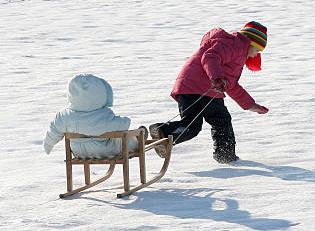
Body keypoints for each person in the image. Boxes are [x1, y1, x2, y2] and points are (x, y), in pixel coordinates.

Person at [149, 21, 269, 164]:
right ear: (251, 42)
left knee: (191, 126)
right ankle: (225, 157)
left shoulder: (235, 48)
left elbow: (232, 86)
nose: (255, 54)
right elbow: (210, 57)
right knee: (221, 121)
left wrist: (251, 105)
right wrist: (217, 78)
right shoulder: (235, 45)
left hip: (188, 86)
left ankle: (163, 133)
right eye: (257, 50)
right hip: (205, 88)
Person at [43, 74, 146, 159]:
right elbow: (121, 126)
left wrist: (48, 146)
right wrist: (126, 120)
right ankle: (138, 140)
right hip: (104, 150)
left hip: (78, 152)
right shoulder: (103, 115)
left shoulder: (63, 116)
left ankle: (136, 138)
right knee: (125, 138)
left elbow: (53, 132)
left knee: (116, 137)